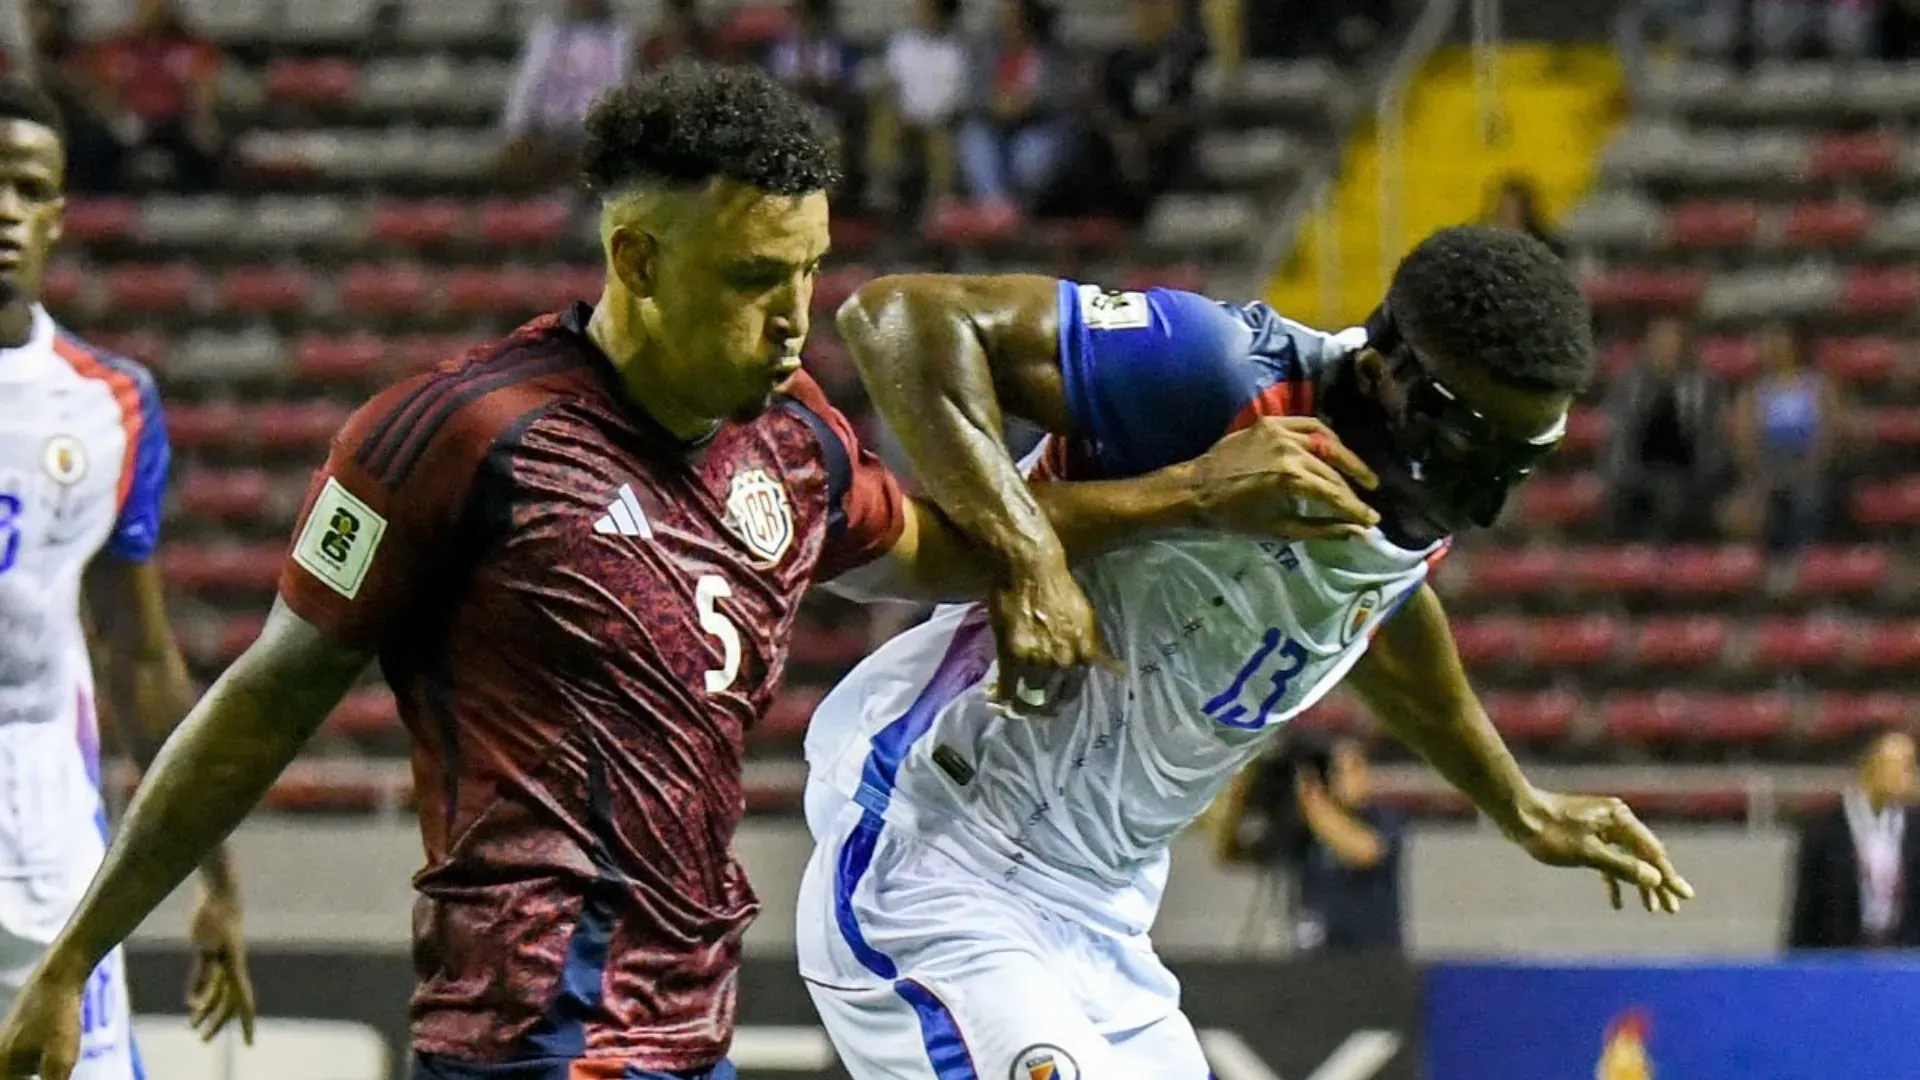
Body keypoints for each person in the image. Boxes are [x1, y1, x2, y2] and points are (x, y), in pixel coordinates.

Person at [0, 63, 1351, 1080]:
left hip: (687, 1024)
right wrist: (76, 958)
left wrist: (1182, 497)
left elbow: (938, 552)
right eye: (756, 279)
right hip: (529, 1026)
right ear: (636, 258)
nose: (795, 320)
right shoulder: (459, 436)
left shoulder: (791, 438)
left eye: (810, 274)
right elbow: (261, 703)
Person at [796, 225, 1695, 1078]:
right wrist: (1034, 561)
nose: (1484, 498)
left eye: (1514, 464)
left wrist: (1519, 805)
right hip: (941, 858)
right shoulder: (1218, 370)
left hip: (1104, 921)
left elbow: (1378, 617)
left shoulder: (1411, 506)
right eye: (1469, 448)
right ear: (1385, 377)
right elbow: (899, 317)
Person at [0, 78, 252, 1079]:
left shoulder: (111, 405)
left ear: (59, 217)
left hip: (55, 857)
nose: (5, 211)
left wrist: (215, 880)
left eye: (28, 188)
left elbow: (143, 662)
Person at [1220, 736, 1406, 953]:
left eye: (1349, 769)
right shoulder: (1303, 825)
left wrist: (1311, 797)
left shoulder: (1380, 817)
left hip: (1369, 957)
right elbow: (1239, 852)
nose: (1337, 777)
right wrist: (1242, 792)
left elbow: (1366, 851)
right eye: (1334, 769)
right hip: (1313, 955)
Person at [1787, 728, 1920, 950]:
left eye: (1911, 765)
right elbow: (1805, 908)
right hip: (1841, 954)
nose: (1909, 775)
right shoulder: (1824, 829)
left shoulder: (1914, 828)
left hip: (1904, 956)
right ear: (1869, 766)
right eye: (1900, 765)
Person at [1603, 314, 1726, 542]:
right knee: (1621, 497)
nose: (1666, 350)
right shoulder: (1631, 384)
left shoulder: (1705, 385)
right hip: (1638, 469)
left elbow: (1712, 437)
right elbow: (1620, 434)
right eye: (1660, 343)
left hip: (1690, 471)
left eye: (1672, 343)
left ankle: (1663, 554)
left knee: (1673, 494)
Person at [79, 0, 222, 192]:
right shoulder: (119, 47)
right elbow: (104, 90)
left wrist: (200, 120)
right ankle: (102, 197)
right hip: (131, 119)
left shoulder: (189, 46)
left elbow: (202, 87)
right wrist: (117, 117)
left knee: (206, 144)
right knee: (94, 143)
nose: (151, 12)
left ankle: (199, 196)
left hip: (176, 121)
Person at [957, 0, 1075, 227]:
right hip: (995, 125)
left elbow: (1065, 95)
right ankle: (995, 208)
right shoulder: (987, 50)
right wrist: (995, 104)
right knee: (974, 138)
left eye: (1018, 20)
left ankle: (1021, 210)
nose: (1011, 27)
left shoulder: (1054, 53)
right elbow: (972, 95)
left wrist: (1030, 102)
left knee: (1031, 156)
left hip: (1040, 125)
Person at [1729, 320, 1839, 555]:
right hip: (1767, 465)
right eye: (1769, 342)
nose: (1774, 348)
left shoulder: (1818, 385)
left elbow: (1828, 432)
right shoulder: (1753, 390)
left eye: (1780, 341)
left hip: (1809, 464)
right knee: (1755, 508)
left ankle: (1803, 557)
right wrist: (1760, 473)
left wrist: (1808, 467)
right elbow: (1744, 439)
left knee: (1808, 501)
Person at [499, 0, 632, 187]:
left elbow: (618, 83)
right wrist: (518, 129)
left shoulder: (618, 36)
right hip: (547, 134)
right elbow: (529, 83)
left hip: (593, 136)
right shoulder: (548, 34)